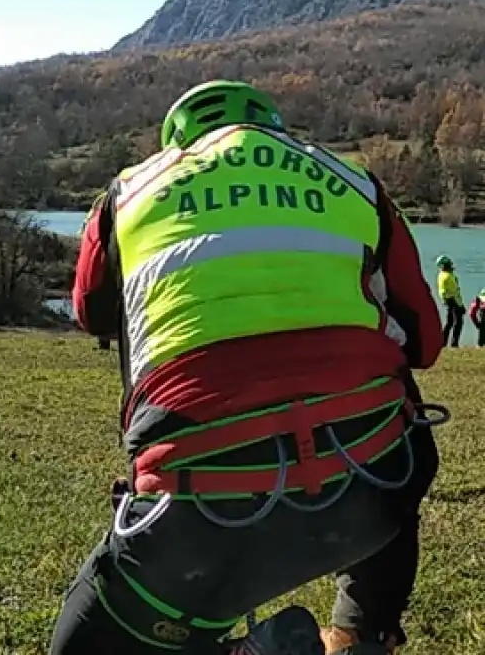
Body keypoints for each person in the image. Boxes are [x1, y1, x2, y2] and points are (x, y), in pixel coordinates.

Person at [50, 79, 447, 655]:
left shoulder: (128, 193)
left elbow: (91, 311)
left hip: (199, 503)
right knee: (389, 428)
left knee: (84, 644)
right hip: (371, 482)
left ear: (174, 143)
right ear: (276, 127)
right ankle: (364, 633)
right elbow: (426, 343)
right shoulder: (355, 183)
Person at [434, 256, 465, 348]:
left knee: (449, 322)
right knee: (458, 322)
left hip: (447, 300)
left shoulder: (441, 275)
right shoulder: (448, 276)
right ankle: (454, 343)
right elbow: (455, 291)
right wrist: (460, 305)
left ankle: (443, 342)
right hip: (453, 301)